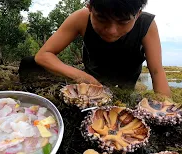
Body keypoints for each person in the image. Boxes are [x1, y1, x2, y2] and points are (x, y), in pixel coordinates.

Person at [19, 0, 171, 97]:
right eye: (102, 19)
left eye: (123, 22)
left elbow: (156, 71)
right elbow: (43, 55)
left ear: (137, 14)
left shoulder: (147, 25)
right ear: (90, 7)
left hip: (123, 87)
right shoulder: (81, 18)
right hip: (90, 86)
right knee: (28, 63)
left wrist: (165, 108)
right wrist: (84, 78)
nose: (112, 30)